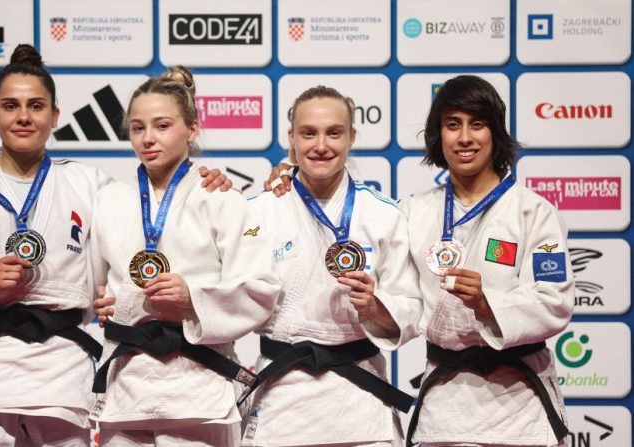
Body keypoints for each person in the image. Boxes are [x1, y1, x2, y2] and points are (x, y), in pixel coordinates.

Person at [0, 45, 230, 446]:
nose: (23, 116)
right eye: (10, 105)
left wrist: (206, 178)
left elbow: (157, 223)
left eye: (36, 106)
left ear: (55, 117)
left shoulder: (90, 185)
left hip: (63, 369)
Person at [88, 65, 281, 447]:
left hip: (199, 386)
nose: (148, 139)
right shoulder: (109, 201)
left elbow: (261, 287)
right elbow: (92, 285)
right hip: (126, 386)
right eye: (138, 128)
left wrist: (193, 300)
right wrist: (100, 302)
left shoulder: (225, 198)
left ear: (192, 129)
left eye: (162, 126)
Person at [236, 86, 421, 447]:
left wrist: (376, 306)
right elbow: (229, 293)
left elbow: (411, 307)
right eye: (309, 133)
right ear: (291, 137)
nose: (321, 145)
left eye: (334, 133)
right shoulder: (257, 210)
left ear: (352, 136)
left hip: (360, 398)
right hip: (282, 395)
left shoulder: (383, 214)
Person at [401, 75, 573, 446]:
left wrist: (486, 303)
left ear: (495, 133)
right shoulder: (415, 211)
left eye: (477, 124)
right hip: (444, 408)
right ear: (438, 135)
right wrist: (291, 178)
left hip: (519, 404)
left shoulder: (533, 212)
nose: (465, 137)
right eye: (452, 125)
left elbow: (555, 301)